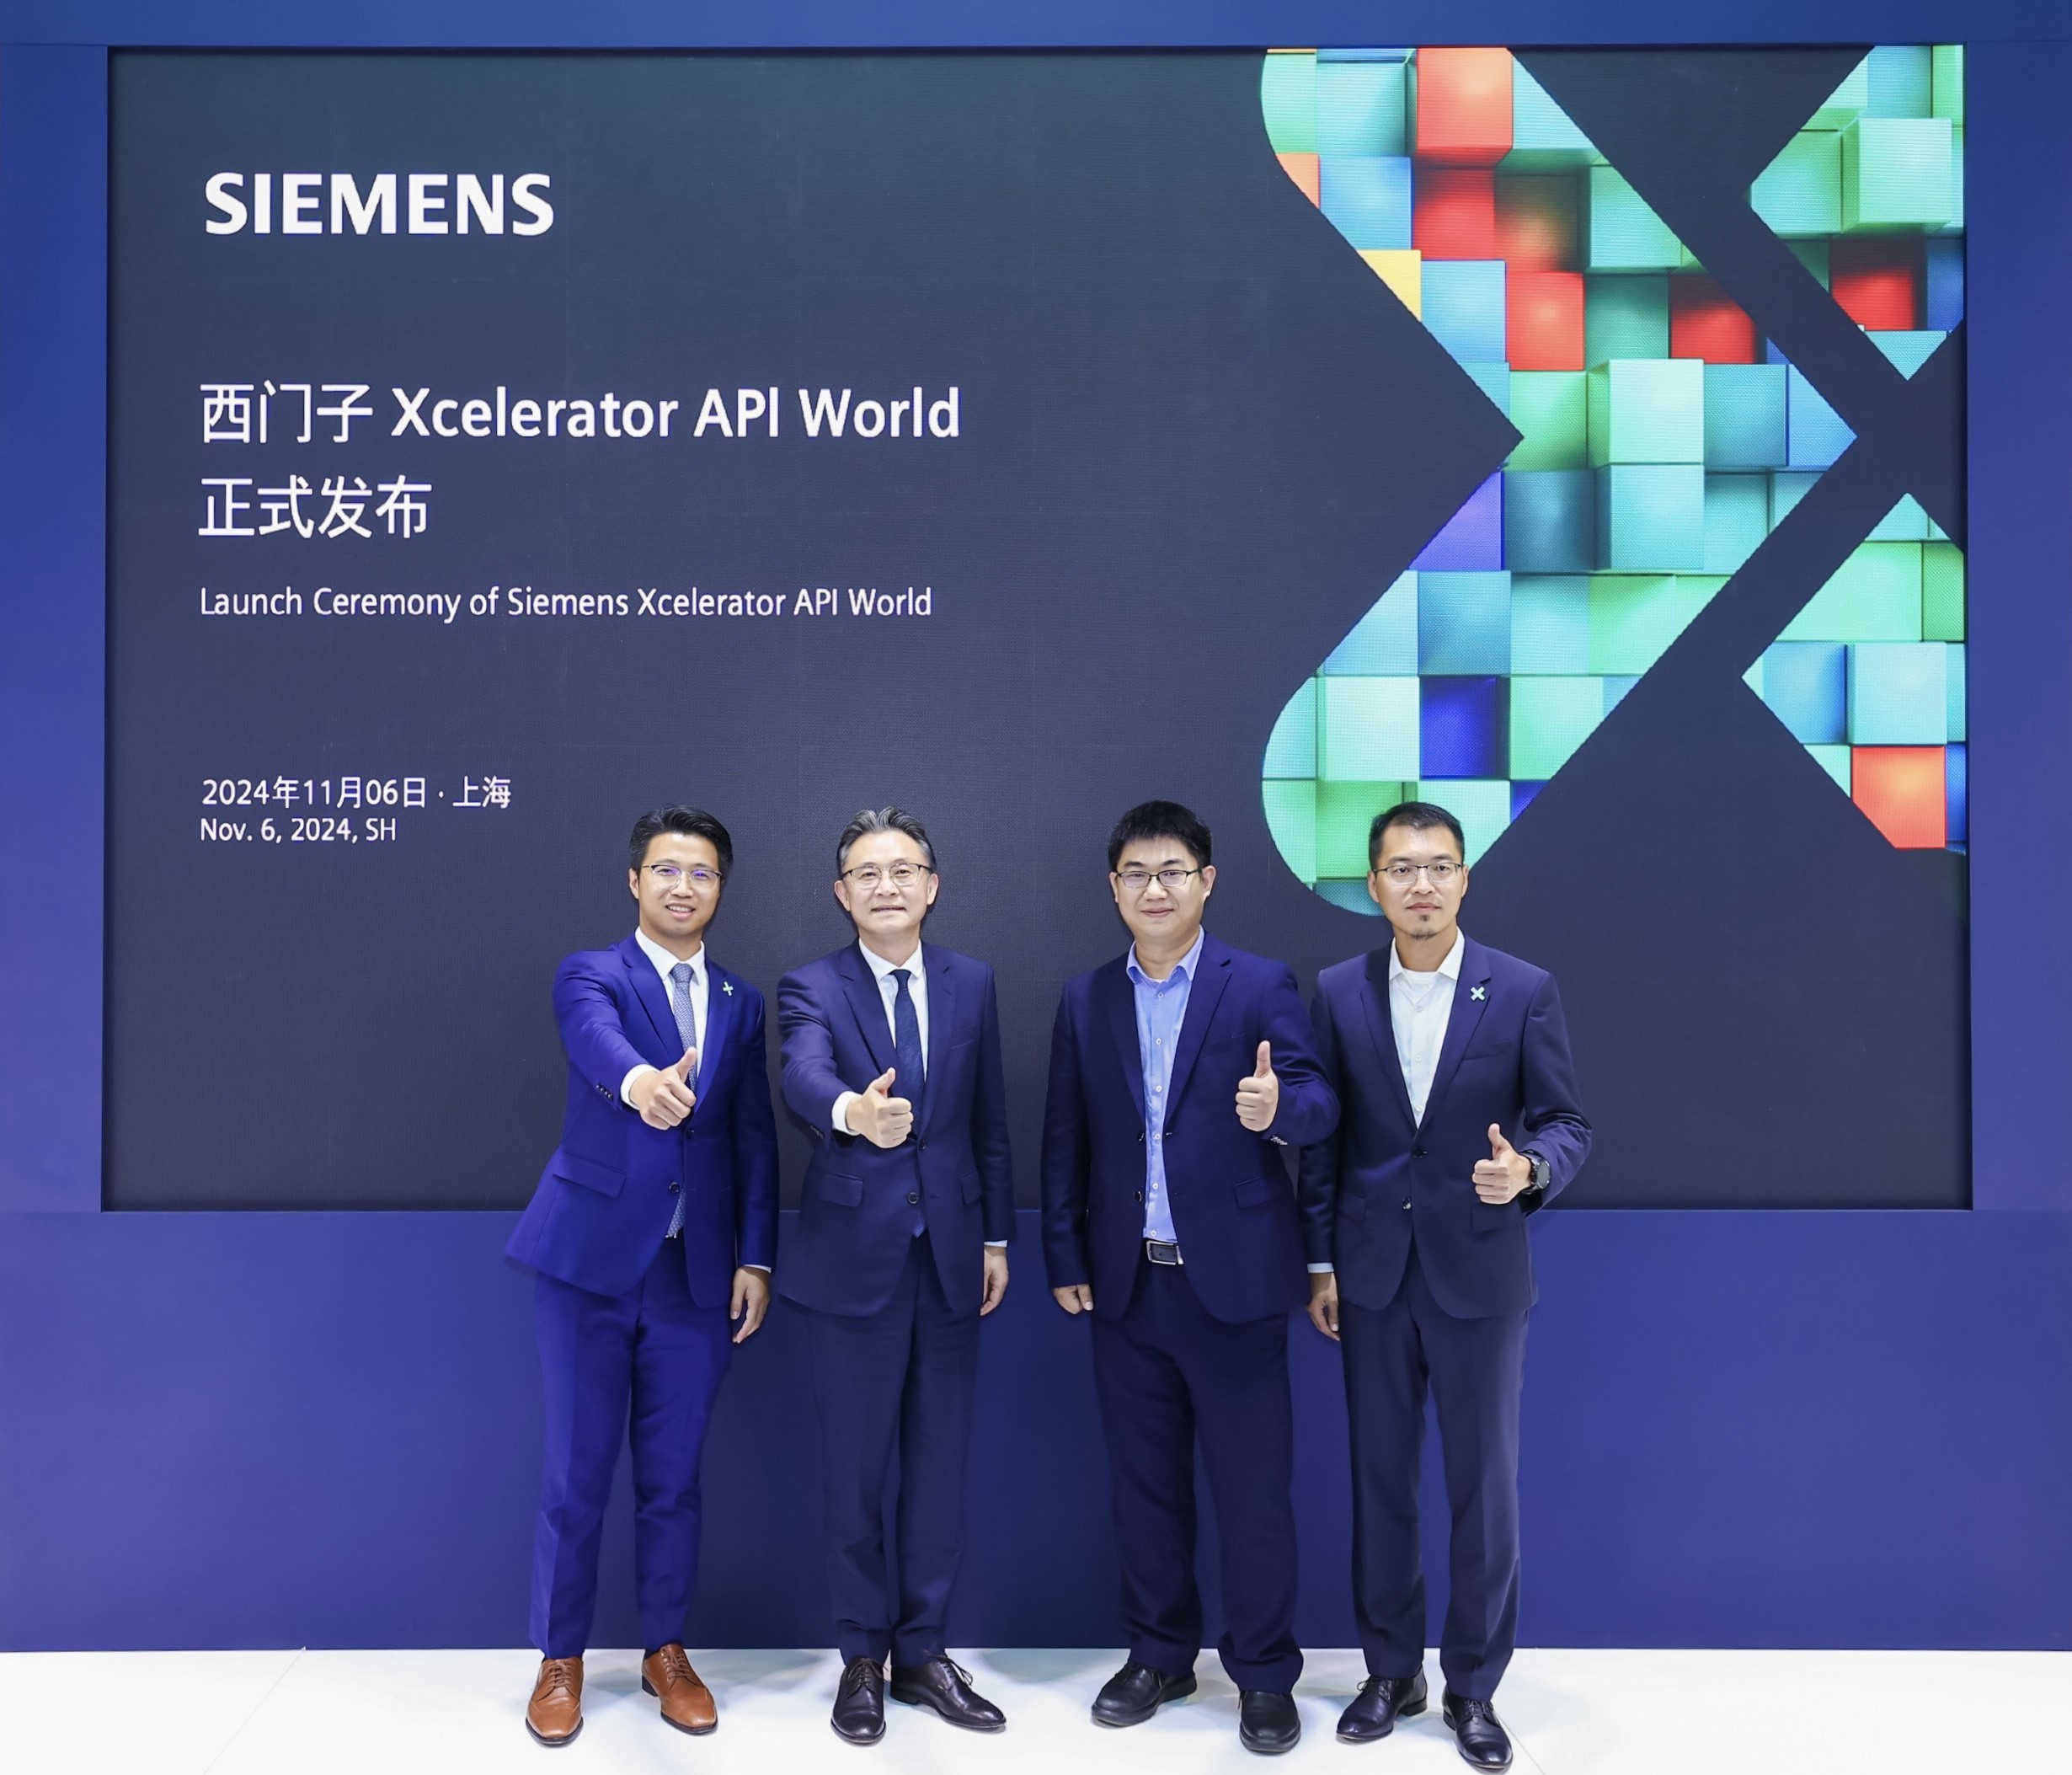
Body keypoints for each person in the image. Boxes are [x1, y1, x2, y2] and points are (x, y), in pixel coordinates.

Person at [1040, 799, 1338, 1756]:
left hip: (1237, 1285)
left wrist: (1277, 1106)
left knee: (1253, 1493)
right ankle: (1161, 1653)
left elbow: (1321, 1103)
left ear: (1207, 881)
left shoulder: (1259, 983)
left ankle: (1264, 1672)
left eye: (1173, 870)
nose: (1155, 887)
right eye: (1136, 872)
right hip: (1127, 1285)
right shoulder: (1086, 998)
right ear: (1114, 887)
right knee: (1145, 1489)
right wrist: (1064, 1252)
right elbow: (1065, 1137)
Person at [1300, 801, 1591, 1772]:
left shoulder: (1523, 989)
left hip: (1480, 1274)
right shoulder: (1338, 991)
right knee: (1380, 1481)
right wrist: (1322, 1262)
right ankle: (1390, 1672)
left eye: (1439, 866)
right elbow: (1326, 1144)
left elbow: (1567, 1122)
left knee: (1484, 1491)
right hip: (1372, 1273)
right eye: (1402, 868)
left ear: (1465, 878)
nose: (1421, 884)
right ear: (1373, 884)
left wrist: (1529, 1171)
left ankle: (1473, 1685)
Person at [505, 805, 779, 1746]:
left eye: (701, 872)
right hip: (589, 1269)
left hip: (694, 1275)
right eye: (665, 869)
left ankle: (667, 1649)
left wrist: (754, 1255)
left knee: (673, 1480)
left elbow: (754, 1137)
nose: (682, 886)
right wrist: (640, 1083)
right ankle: (560, 1657)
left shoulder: (742, 1001)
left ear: (720, 888)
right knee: (575, 1475)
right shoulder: (593, 973)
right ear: (635, 880)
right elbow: (593, 1039)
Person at [777, 807, 1015, 1746]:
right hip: (851, 1267)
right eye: (867, 873)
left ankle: (923, 1652)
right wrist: (851, 1112)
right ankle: (862, 1659)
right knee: (855, 1473)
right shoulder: (810, 985)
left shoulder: (972, 981)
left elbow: (989, 1121)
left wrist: (996, 1237)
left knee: (938, 1468)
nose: (886, 885)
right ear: (842, 893)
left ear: (932, 884)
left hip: (951, 1259)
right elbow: (802, 1074)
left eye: (903, 868)